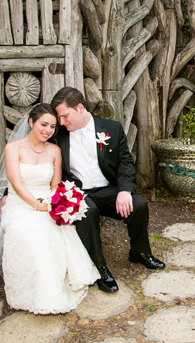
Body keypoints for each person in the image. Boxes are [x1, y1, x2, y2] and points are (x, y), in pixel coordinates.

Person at [0, 103, 99, 314]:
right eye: (43, 124)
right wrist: (37, 205)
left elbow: (55, 185)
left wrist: (60, 204)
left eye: (52, 126)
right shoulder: (13, 148)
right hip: (19, 203)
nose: (47, 130)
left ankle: (55, 287)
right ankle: (32, 291)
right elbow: (16, 183)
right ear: (31, 123)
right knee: (31, 232)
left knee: (55, 227)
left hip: (47, 200)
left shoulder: (55, 150)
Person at [50, 86, 164, 294]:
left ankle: (139, 252)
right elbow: (34, 159)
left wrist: (125, 191)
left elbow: (125, 163)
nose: (62, 122)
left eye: (65, 116)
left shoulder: (111, 128)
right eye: (60, 118)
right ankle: (99, 267)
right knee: (87, 211)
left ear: (80, 108)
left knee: (138, 205)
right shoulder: (58, 136)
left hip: (108, 189)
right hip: (80, 193)